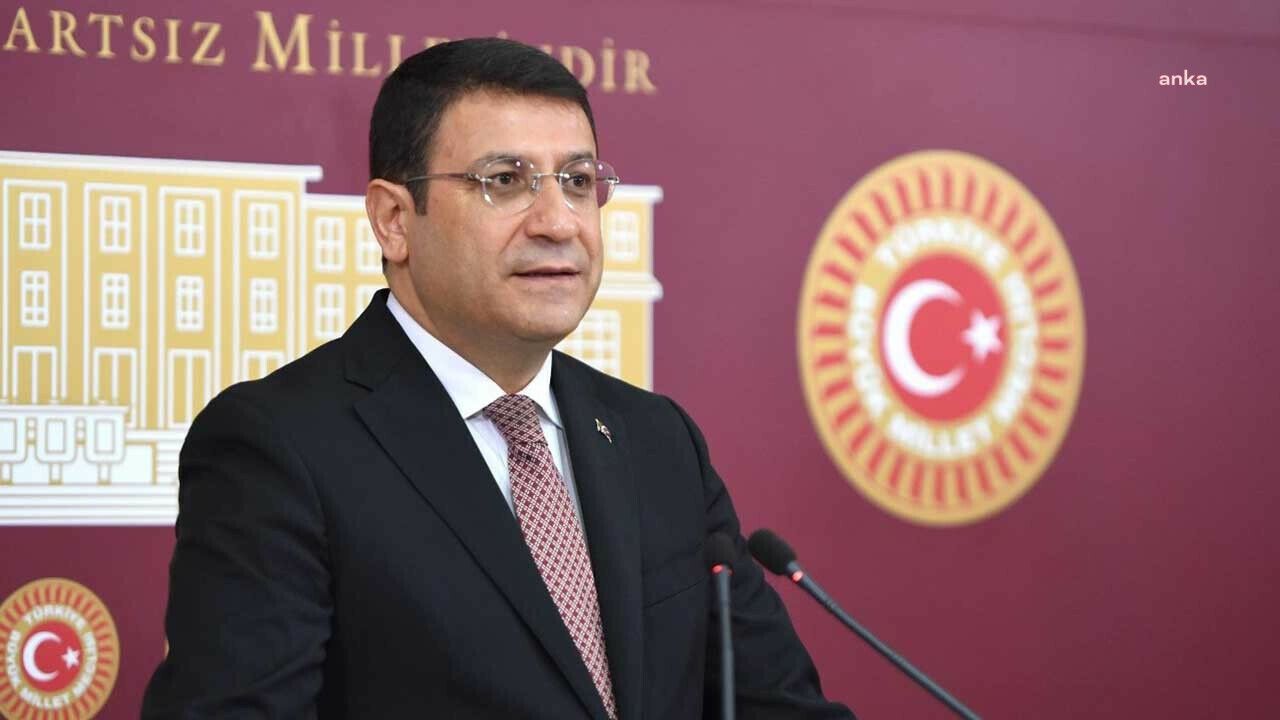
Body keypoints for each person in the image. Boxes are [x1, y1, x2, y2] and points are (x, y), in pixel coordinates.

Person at [142, 37, 854, 719]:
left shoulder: (658, 439)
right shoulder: (281, 446)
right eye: (506, 181)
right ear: (394, 220)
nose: (558, 223)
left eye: (578, 182)